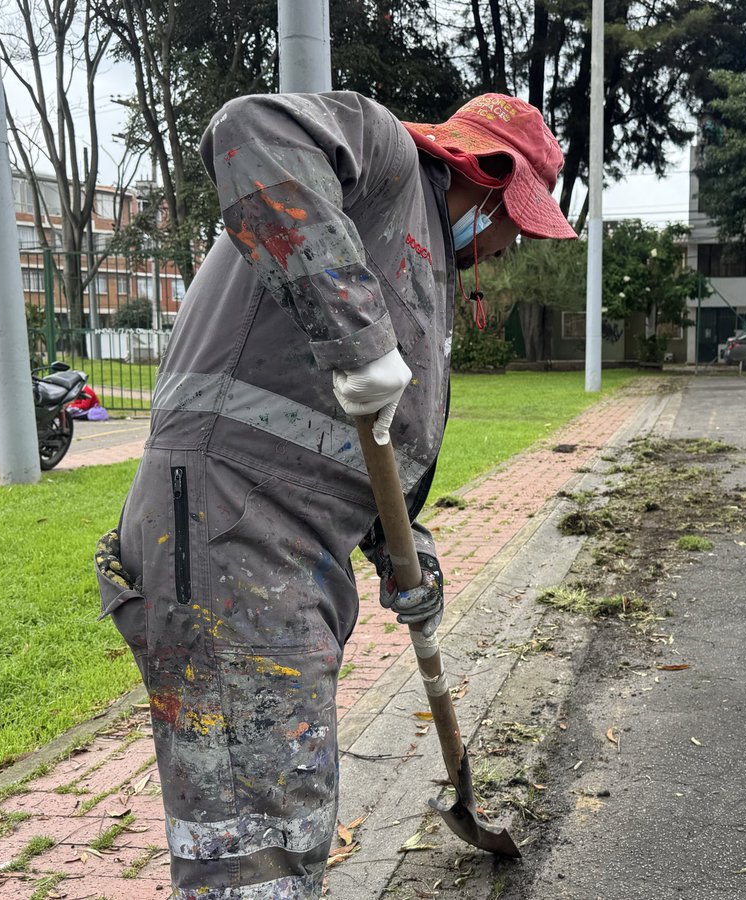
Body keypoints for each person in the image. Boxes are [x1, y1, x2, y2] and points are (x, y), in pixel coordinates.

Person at [94, 90, 576, 900]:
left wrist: (405, 556)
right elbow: (252, 127)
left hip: (278, 542)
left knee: (283, 811)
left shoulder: (418, 248)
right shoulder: (385, 164)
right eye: (514, 222)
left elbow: (364, 442)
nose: (507, 244)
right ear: (487, 180)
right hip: (229, 532)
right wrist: (357, 332)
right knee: (254, 840)